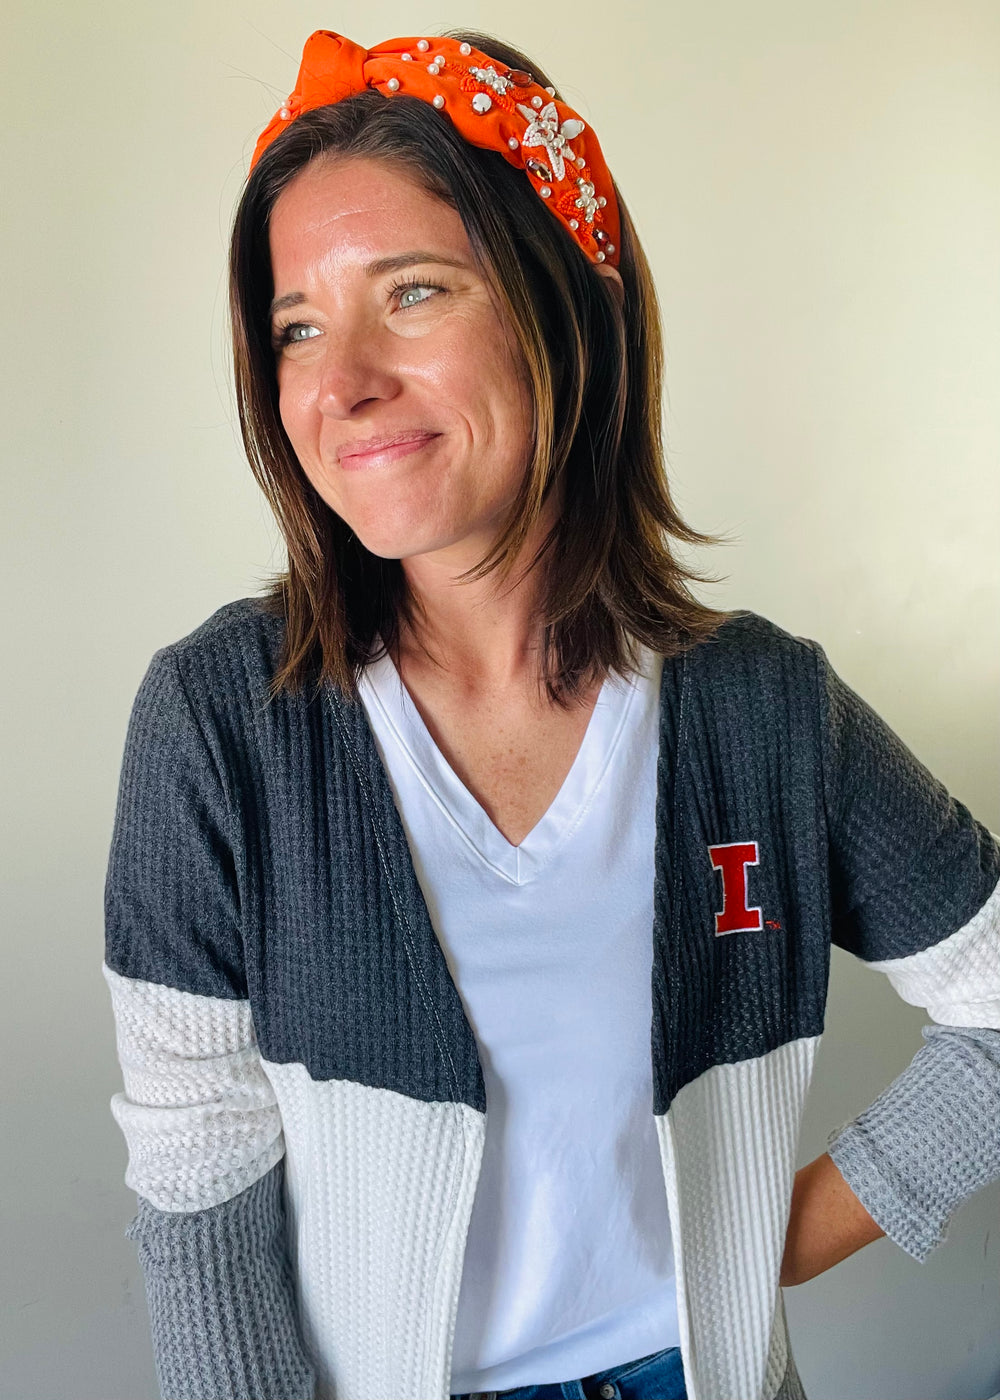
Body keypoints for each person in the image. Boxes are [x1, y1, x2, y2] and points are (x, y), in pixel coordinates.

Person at [102, 27, 1000, 1400]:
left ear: (562, 311)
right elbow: (198, 1194)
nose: (338, 383)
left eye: (411, 292)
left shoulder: (762, 711)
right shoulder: (224, 725)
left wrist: (796, 1230)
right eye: (295, 325)